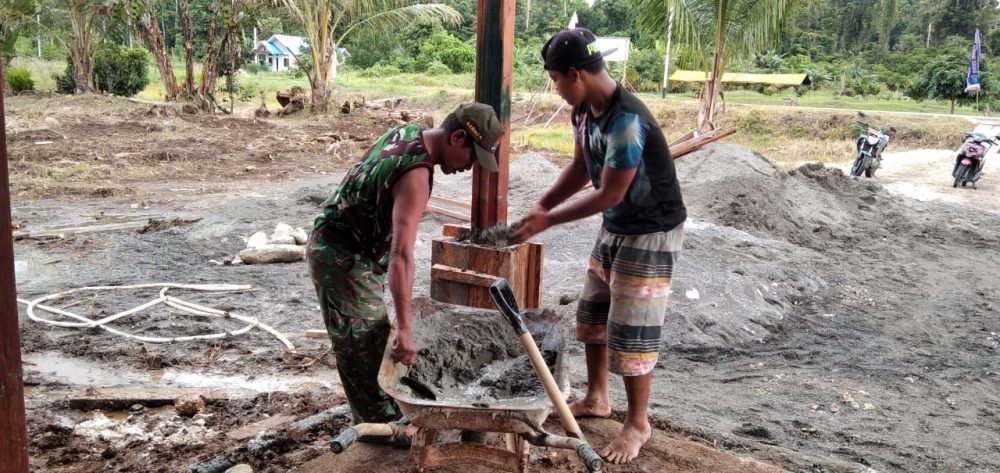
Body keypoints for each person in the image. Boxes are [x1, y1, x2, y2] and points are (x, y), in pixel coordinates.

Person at [510, 28, 686, 464]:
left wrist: (547, 220)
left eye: (555, 80)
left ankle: (637, 424)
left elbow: (609, 193)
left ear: (575, 73)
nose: (555, 89)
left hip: (650, 230)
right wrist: (542, 204)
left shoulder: (627, 121)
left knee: (632, 331)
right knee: (592, 315)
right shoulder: (585, 111)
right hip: (616, 226)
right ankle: (597, 397)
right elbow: (579, 166)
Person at [307, 103, 504, 434]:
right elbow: (402, 254)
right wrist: (406, 329)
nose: (469, 167)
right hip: (341, 258)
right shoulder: (416, 177)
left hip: (352, 251)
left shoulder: (412, 132)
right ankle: (380, 434)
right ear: (457, 138)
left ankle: (384, 421)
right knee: (364, 350)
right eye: (473, 158)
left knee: (372, 341)